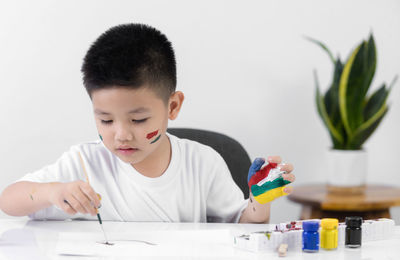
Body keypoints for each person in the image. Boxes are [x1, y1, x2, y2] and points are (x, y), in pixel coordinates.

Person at [0, 23, 295, 223]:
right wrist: (52, 192)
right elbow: (8, 201)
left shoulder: (202, 164)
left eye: (138, 119)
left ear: (173, 106)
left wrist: (261, 200)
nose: (121, 134)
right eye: (105, 120)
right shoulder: (84, 162)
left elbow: (244, 225)